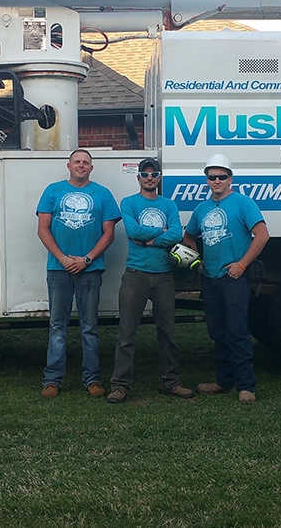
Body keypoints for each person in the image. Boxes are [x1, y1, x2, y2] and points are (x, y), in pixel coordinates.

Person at [182, 153, 269, 404]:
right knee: (217, 331)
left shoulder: (243, 203)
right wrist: (196, 261)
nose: (217, 181)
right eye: (212, 177)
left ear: (230, 179)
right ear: (206, 179)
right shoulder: (202, 209)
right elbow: (189, 236)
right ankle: (223, 380)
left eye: (222, 176)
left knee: (237, 331)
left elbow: (262, 235)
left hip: (233, 279)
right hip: (209, 279)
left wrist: (242, 265)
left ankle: (246, 386)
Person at [106, 158, 194, 404]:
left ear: (159, 178)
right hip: (136, 274)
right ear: (139, 178)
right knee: (127, 332)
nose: (149, 178)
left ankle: (171, 382)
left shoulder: (169, 204)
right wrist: (163, 234)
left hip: (165, 275)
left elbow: (177, 233)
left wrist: (151, 240)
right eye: (145, 174)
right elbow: (132, 231)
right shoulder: (129, 202)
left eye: (154, 174)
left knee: (167, 332)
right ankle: (120, 385)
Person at [36, 149, 120, 398]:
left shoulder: (102, 194)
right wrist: (62, 258)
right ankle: (51, 380)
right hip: (58, 269)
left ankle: (93, 379)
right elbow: (43, 229)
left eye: (85, 163)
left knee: (89, 326)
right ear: (69, 166)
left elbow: (109, 234)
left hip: (90, 270)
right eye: (77, 162)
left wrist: (86, 259)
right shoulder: (53, 190)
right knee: (57, 326)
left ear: (91, 168)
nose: (81, 166)